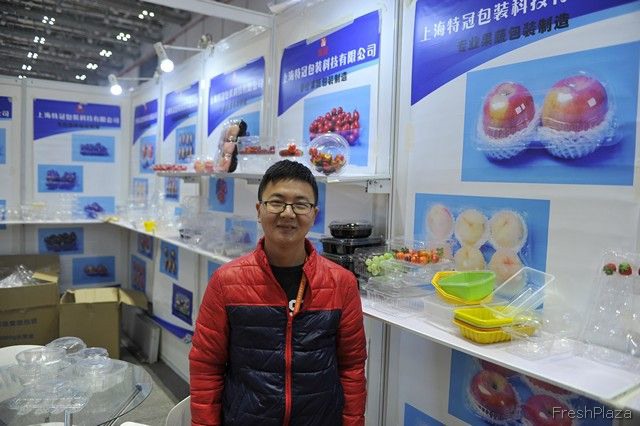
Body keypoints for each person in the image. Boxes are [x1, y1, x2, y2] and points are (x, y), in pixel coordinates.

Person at [190, 160, 367, 425]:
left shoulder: (341, 283)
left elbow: (352, 367)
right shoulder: (226, 282)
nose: (288, 213)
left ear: (314, 214)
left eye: (300, 204)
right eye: (276, 202)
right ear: (259, 210)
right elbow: (206, 366)